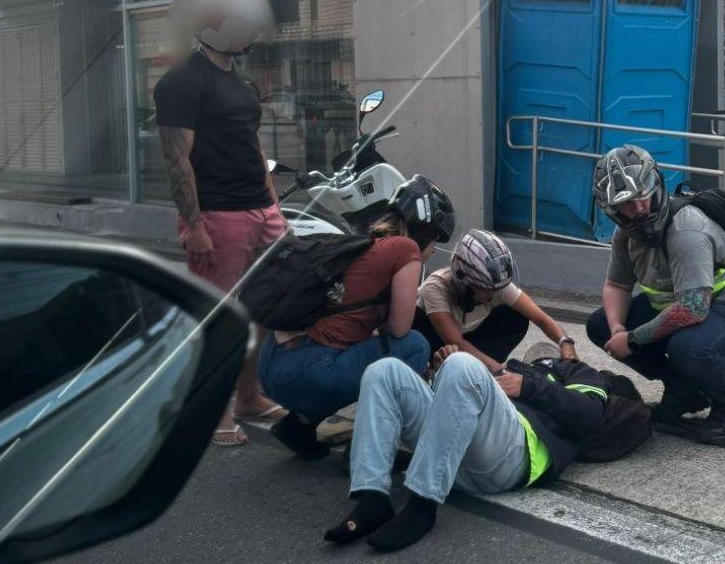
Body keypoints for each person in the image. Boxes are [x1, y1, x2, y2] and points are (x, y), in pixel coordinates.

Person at [154, 0, 288, 447]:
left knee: (263, 308)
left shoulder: (243, 84)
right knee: (219, 317)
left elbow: (253, 145)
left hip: (258, 210)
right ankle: (213, 411)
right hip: (217, 215)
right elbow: (177, 160)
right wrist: (194, 225)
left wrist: (274, 206)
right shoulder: (181, 83)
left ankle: (250, 397)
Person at [324, 344, 611, 552]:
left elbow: (588, 415)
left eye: (548, 357)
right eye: (539, 356)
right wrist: (441, 374)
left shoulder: (579, 372)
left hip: (511, 459)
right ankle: (373, 498)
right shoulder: (511, 367)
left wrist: (528, 386)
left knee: (464, 365)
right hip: (457, 459)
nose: (543, 358)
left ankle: (422, 505)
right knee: (384, 370)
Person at [257, 174, 455, 458]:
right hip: (305, 372)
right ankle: (368, 448)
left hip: (270, 365)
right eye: (434, 239)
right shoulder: (405, 249)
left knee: (363, 346)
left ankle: (299, 426)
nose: (435, 248)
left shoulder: (364, 241)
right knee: (414, 345)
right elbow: (399, 329)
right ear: (422, 230)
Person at [584, 145, 725, 445]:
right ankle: (684, 390)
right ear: (613, 211)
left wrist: (632, 339)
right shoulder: (625, 236)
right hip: (682, 307)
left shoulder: (686, 231)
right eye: (627, 206)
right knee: (600, 326)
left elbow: (693, 308)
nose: (639, 210)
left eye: (642, 198)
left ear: (656, 187)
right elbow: (617, 286)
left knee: (689, 348)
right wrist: (618, 329)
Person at [413, 229, 578, 370]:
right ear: (464, 282)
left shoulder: (496, 284)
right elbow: (456, 341)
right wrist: (500, 371)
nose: (495, 294)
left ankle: (484, 366)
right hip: (436, 341)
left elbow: (540, 318)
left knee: (515, 317)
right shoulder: (435, 287)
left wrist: (565, 341)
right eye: (487, 291)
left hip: (467, 336)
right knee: (431, 342)